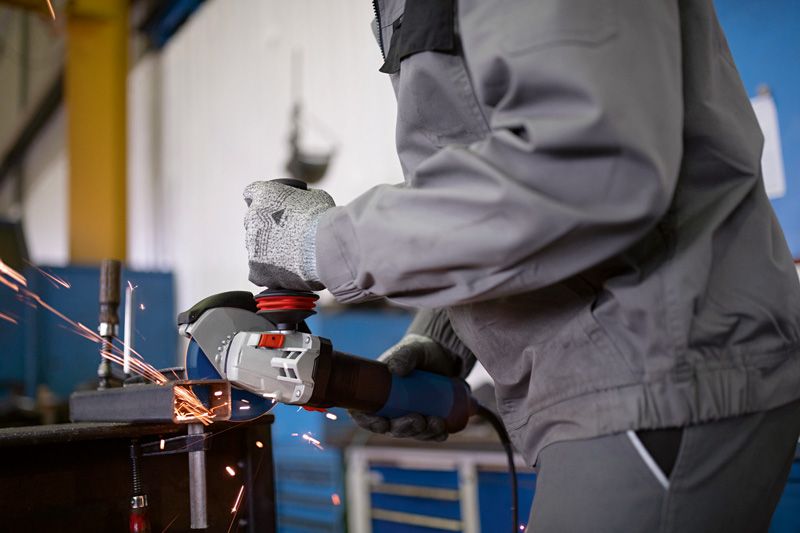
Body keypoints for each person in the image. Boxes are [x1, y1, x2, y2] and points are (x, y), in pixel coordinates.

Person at [242, 1, 800, 531]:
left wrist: (318, 243)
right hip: (619, 374)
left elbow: (586, 167)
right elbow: (489, 168)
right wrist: (445, 332)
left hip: (655, 371)